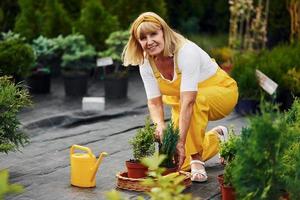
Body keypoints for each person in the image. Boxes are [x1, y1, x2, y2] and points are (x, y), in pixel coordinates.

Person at [122, 12, 238, 182]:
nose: (149, 41)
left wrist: (182, 142)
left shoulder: (185, 52)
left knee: (186, 145)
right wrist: (160, 125)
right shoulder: (146, 62)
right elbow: (154, 102)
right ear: (138, 42)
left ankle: (197, 158)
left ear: (164, 32)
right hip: (184, 102)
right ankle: (218, 137)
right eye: (143, 38)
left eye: (153, 34)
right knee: (179, 163)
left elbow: (190, 101)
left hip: (222, 93)